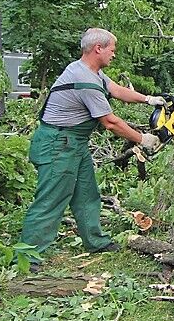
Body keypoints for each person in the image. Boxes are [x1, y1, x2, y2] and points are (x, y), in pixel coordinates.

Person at [19, 28, 164, 269]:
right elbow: (110, 122)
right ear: (98, 48)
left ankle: (95, 241)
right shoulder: (84, 80)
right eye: (112, 50)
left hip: (73, 143)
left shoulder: (90, 72)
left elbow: (117, 90)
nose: (113, 55)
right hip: (58, 145)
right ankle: (27, 256)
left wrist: (148, 99)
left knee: (87, 194)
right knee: (51, 199)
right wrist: (142, 139)